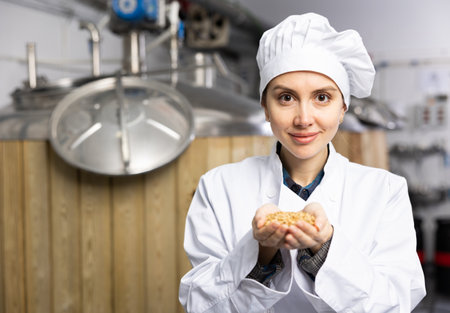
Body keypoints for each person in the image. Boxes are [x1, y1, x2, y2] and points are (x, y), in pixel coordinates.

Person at [179, 12, 426, 312]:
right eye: (286, 98)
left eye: (322, 97)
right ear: (265, 107)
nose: (304, 119)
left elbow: (396, 303)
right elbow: (199, 303)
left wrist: (325, 249)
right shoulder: (218, 187)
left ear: (343, 108)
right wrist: (260, 252)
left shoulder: (385, 191)